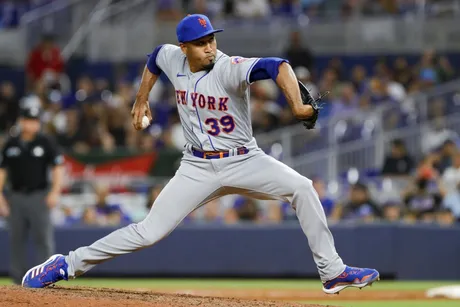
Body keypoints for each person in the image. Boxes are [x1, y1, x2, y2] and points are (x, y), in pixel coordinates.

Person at [21, 14, 379, 294]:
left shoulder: (228, 66)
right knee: (148, 233)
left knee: (302, 188)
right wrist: (141, 98)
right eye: (201, 43)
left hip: (244, 159)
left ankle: (332, 273)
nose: (210, 47)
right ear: (184, 47)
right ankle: (67, 264)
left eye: (212, 39)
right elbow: (154, 60)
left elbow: (278, 65)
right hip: (196, 167)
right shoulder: (170, 56)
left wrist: (299, 105)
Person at [0, 105, 64, 285]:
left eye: (35, 121)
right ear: (21, 122)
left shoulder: (46, 142)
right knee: (16, 239)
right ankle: (17, 281)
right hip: (16, 197)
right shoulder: (11, 144)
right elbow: (2, 171)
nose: (31, 125)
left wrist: (55, 191)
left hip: (39, 196)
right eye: (28, 120)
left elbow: (58, 167)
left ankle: (47, 279)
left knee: (43, 239)